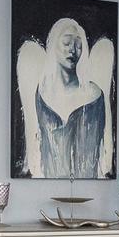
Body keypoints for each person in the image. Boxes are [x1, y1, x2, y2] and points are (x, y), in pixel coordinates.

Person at [32, 17, 109, 178]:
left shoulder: (94, 95)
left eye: (79, 45)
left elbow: (100, 153)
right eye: (66, 43)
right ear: (53, 45)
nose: (73, 50)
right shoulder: (42, 93)